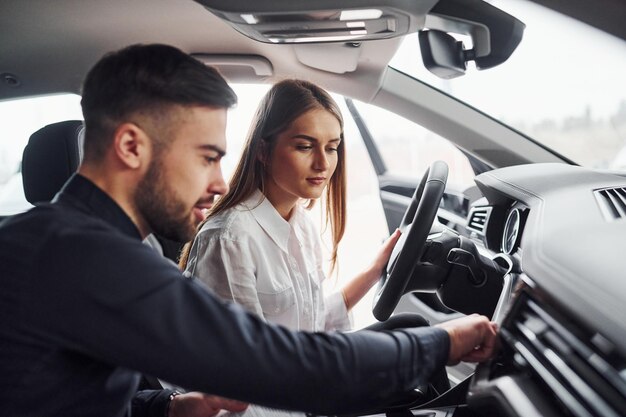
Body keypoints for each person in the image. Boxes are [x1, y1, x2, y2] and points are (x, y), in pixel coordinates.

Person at [0, 43, 499, 417]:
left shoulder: (82, 245)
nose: (220, 182)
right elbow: (278, 363)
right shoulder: (86, 257)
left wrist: (167, 409)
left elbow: (80, 389)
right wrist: (443, 342)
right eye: (206, 158)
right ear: (131, 147)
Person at [180, 79, 400, 332]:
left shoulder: (302, 224)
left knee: (411, 327)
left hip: (303, 364)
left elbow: (311, 325)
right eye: (305, 147)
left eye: (331, 148)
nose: (322, 164)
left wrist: (374, 271)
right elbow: (244, 360)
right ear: (263, 151)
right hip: (283, 371)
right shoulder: (229, 240)